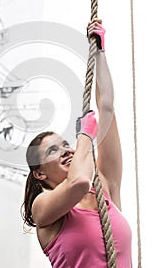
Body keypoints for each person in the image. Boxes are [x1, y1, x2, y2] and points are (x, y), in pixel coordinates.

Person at [21, 19, 132, 267]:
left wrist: (100, 52)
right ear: (39, 173)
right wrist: (85, 136)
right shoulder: (43, 209)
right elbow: (79, 182)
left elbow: (107, 110)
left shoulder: (104, 187)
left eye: (64, 144)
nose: (66, 150)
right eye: (53, 150)